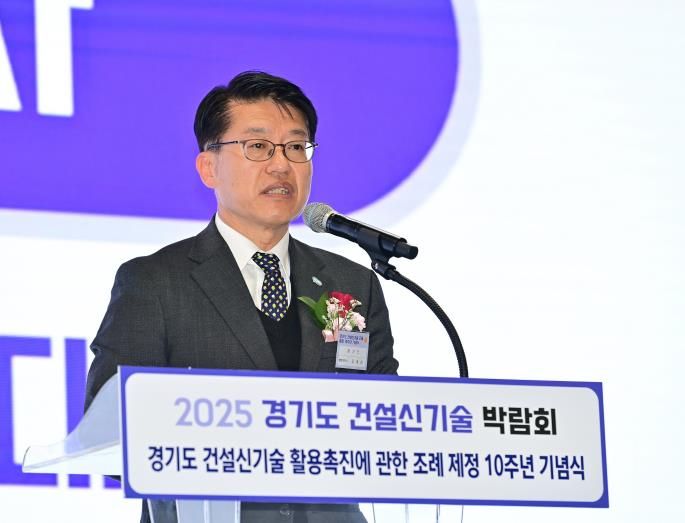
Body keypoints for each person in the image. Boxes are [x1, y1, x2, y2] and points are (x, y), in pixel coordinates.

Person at [84, 71, 399, 523]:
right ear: (208, 168)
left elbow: (389, 421)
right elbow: (109, 432)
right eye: (258, 146)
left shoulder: (352, 284)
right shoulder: (155, 282)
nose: (281, 165)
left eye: (296, 147)